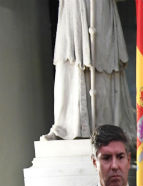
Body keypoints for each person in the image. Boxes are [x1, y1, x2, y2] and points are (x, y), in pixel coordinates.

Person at [42, 0, 135, 141]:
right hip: (73, 7)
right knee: (70, 60)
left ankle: (110, 127)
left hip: (100, 8)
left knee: (104, 61)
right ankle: (66, 127)